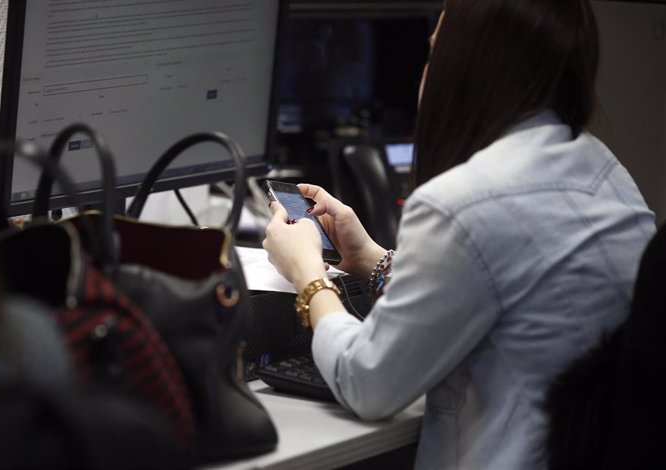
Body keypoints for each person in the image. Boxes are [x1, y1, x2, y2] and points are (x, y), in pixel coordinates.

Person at [262, 0, 656, 468]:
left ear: (470, 69)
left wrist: (307, 271)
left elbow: (367, 383)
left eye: (434, 55)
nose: (425, 75)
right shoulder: (606, 169)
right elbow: (494, 291)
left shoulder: (465, 201)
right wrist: (370, 257)